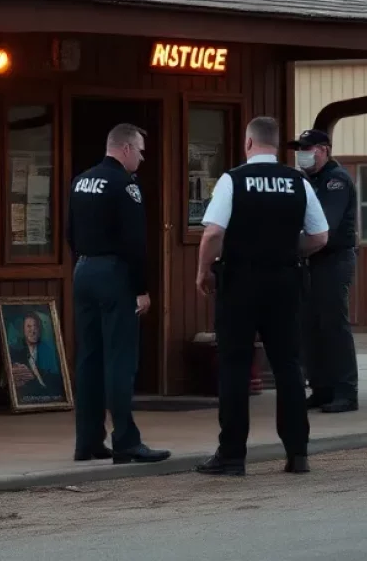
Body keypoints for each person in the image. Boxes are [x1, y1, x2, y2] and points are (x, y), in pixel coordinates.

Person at [194, 115, 330, 477]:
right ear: (275, 143)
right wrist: (286, 250)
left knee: (235, 366)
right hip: (286, 282)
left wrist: (203, 271)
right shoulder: (298, 181)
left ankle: (232, 455)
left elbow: (212, 234)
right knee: (288, 366)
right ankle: (297, 453)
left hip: (240, 282)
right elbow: (320, 238)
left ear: (249, 143)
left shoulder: (232, 180)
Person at [66, 122, 171, 464]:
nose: (141, 158)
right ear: (125, 149)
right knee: (119, 360)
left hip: (83, 270)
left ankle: (88, 441)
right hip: (115, 274)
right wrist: (141, 289)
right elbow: (135, 243)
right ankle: (125, 440)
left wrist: (84, 263)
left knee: (89, 358)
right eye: (140, 151)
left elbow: (69, 231)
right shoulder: (125, 185)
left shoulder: (81, 180)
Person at [288, 128, 359, 413]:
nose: (302, 154)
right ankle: (321, 388)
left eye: (309, 148)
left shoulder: (335, 181)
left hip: (333, 260)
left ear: (324, 150)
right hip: (311, 261)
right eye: (300, 149)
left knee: (333, 325)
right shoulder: (310, 180)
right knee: (310, 326)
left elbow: (323, 229)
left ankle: (346, 391)